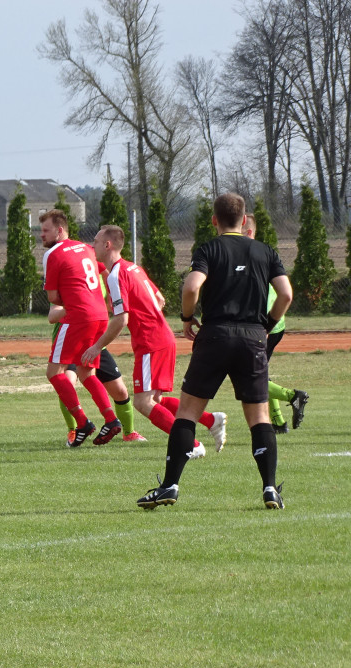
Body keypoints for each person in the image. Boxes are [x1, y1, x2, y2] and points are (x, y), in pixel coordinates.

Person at [138, 193, 292, 510]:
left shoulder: (209, 248)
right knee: (259, 417)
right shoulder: (265, 251)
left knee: (188, 414)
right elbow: (286, 293)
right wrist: (267, 324)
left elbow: (192, 287)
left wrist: (185, 318)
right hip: (252, 338)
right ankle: (269, 489)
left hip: (215, 334)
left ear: (214, 220)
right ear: (244, 219)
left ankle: (169, 486)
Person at [81, 225, 227, 457]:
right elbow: (160, 299)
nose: (92, 246)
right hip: (162, 337)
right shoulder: (134, 268)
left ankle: (191, 444)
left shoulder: (116, 274)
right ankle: (211, 420)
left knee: (143, 403)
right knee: (155, 399)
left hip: (151, 342)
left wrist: (97, 346)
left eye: (96, 242)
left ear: (107, 245)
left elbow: (121, 319)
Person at [40, 209, 122, 447]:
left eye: (45, 230)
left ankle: (83, 422)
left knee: (54, 372)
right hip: (100, 316)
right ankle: (111, 419)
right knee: (86, 371)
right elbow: (104, 271)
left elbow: (54, 298)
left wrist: (74, 298)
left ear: (60, 230)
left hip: (78, 318)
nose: (41, 235)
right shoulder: (86, 248)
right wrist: (105, 297)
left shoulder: (53, 254)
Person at [243, 214, 309, 433]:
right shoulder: (262, 254)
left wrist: (263, 325)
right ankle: (279, 423)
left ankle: (293, 396)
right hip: (272, 322)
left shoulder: (249, 255)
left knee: (251, 377)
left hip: (264, 324)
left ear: (249, 232)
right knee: (261, 373)